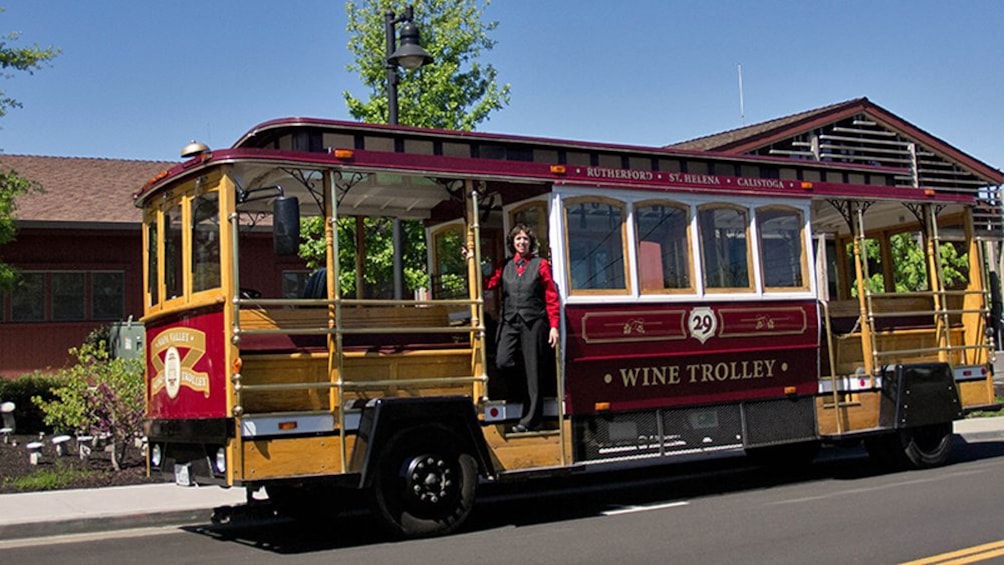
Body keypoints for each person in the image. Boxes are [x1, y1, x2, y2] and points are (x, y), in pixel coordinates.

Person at [465, 224, 559, 433]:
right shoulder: (505, 266)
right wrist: (471, 261)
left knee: (534, 371)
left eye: (525, 239)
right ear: (513, 243)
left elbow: (551, 296)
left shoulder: (540, 265)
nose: (522, 243)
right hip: (510, 321)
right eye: (518, 240)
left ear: (530, 243)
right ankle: (520, 394)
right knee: (503, 360)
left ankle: (532, 420)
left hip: (533, 322)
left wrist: (554, 326)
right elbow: (487, 283)